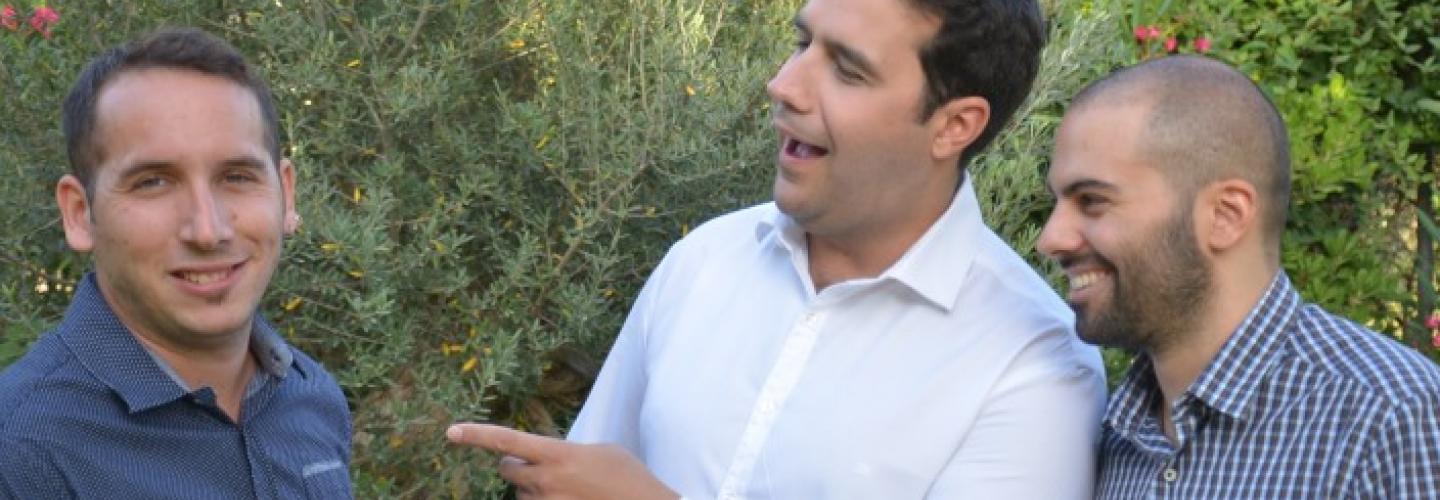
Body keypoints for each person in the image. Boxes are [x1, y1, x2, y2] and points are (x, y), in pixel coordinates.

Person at [446, 0, 1106, 497]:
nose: (785, 85)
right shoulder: (706, 259)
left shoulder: (1034, 366)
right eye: (801, 43)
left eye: (847, 69)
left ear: (954, 124)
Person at [1037, 54, 1440, 498]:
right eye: (1058, 202)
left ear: (1225, 216)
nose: (1051, 238)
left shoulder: (1387, 418)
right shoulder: (1112, 432)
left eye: (1092, 201)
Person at [0, 28, 352, 499]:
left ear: (286, 195)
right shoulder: (21, 452)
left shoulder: (312, 398)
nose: (208, 230)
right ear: (80, 213)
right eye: (153, 182)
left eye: (237, 176)